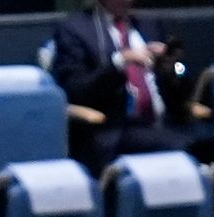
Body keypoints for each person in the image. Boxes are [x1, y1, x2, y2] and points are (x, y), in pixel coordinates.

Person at [54, 1, 202, 166]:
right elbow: (76, 89)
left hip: (165, 125)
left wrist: (174, 67)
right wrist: (119, 62)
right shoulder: (76, 29)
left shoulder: (148, 25)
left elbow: (182, 83)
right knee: (186, 150)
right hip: (114, 130)